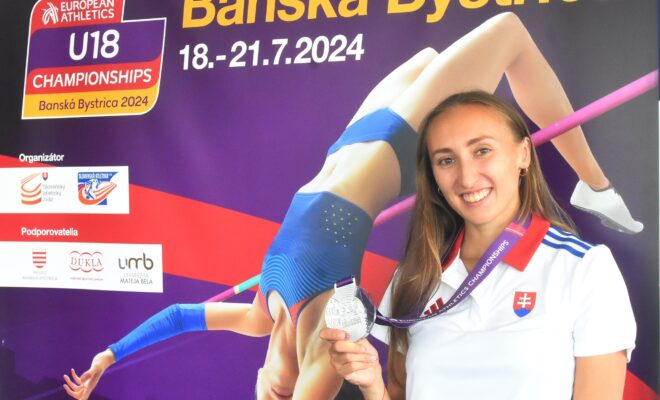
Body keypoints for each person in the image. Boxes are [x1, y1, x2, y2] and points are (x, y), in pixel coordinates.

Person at [64, 12, 640, 400]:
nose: (267, 390)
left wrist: (109, 355)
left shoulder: (261, 313)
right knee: (508, 33)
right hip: (391, 149)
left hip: (350, 140)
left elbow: (179, 316)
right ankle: (592, 182)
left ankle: (588, 180)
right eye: (278, 394)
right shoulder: (324, 338)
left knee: (429, 55)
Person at [320, 91, 637, 400]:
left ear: (523, 154)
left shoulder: (585, 268)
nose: (467, 178)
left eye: (482, 150)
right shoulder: (413, 277)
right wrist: (373, 386)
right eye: (446, 160)